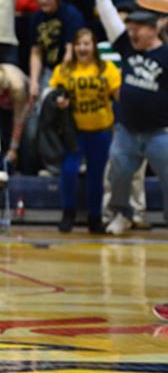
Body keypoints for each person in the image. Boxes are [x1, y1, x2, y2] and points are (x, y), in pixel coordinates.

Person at [97, 0, 168, 236]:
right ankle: (120, 214)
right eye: (131, 27)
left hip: (160, 131)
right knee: (118, 177)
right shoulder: (128, 48)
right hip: (127, 130)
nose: (132, 31)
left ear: (153, 29)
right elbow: (111, 22)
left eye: (138, 28)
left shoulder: (165, 55)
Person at [49, 28, 120, 233]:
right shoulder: (64, 70)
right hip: (74, 131)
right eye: (79, 44)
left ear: (94, 47)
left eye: (87, 44)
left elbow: (119, 96)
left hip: (100, 129)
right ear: (74, 46)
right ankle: (68, 213)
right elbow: (53, 94)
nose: (82, 48)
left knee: (96, 176)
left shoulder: (107, 69)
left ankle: (95, 217)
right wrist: (58, 100)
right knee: (69, 171)